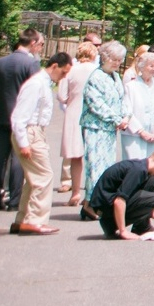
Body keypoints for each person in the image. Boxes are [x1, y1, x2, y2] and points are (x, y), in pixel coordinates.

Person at [9, 51, 73, 236]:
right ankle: (34, 221)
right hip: (29, 132)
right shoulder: (35, 84)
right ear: (54, 66)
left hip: (36, 132)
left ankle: (23, 220)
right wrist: (23, 143)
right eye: (63, 72)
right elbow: (19, 116)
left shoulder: (43, 83)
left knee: (34, 179)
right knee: (44, 176)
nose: (64, 77)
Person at [0, 28, 42, 211]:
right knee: (19, 157)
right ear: (32, 43)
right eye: (39, 44)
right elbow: (37, 94)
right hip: (23, 118)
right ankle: (14, 200)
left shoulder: (0, 63)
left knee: (0, 156)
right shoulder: (31, 64)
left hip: (2, 115)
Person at [86, 150, 154, 239]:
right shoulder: (138, 170)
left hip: (109, 206)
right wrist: (123, 231)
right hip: (106, 213)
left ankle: (142, 227)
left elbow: (140, 204)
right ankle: (115, 225)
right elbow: (119, 200)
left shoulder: (141, 166)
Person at [80, 41, 128, 194]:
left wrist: (126, 116)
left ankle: (101, 198)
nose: (117, 63)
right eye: (113, 59)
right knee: (95, 166)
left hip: (110, 129)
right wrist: (116, 119)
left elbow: (122, 98)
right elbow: (96, 104)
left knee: (107, 167)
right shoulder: (96, 77)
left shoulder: (115, 76)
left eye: (119, 60)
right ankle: (91, 199)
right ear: (105, 58)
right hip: (95, 127)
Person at [120, 46, 154, 162]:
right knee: (134, 167)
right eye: (151, 66)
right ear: (142, 67)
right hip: (134, 137)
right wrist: (141, 132)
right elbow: (127, 111)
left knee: (153, 167)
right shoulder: (131, 86)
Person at [58, 43, 94, 205]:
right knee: (92, 156)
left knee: (75, 156)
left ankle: (75, 193)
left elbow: (61, 96)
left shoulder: (71, 71)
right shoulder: (97, 70)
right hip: (92, 114)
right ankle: (90, 193)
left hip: (73, 113)